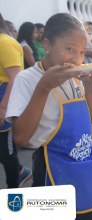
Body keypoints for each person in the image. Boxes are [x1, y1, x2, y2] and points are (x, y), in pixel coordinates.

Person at [6, 13, 92, 219]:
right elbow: (20, 138)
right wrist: (44, 87)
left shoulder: (75, 79)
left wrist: (89, 85)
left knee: (87, 213)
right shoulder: (27, 79)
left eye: (81, 52)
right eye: (69, 49)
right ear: (47, 44)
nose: (76, 58)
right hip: (51, 166)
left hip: (83, 163)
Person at [0, 13, 32, 189]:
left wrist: (4, 107)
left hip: (5, 98)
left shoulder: (4, 42)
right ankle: (20, 171)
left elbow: (14, 76)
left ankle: (13, 187)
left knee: (7, 150)